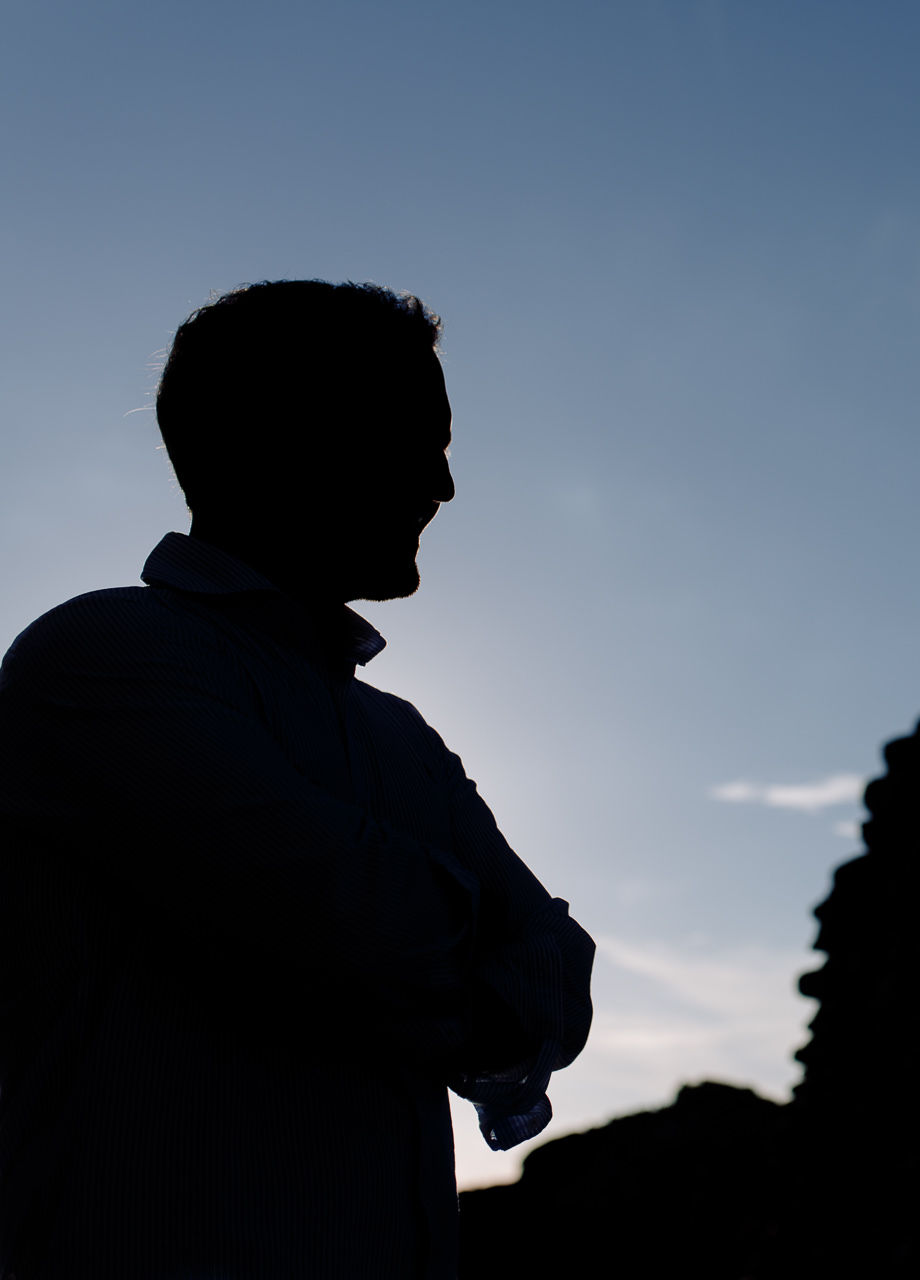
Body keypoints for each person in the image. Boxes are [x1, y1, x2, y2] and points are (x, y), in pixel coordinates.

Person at [0, 280, 595, 1279]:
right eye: (416, 438)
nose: (442, 486)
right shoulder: (100, 652)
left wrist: (413, 945)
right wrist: (469, 942)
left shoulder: (399, 731)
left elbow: (553, 985)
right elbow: (340, 916)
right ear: (289, 437)